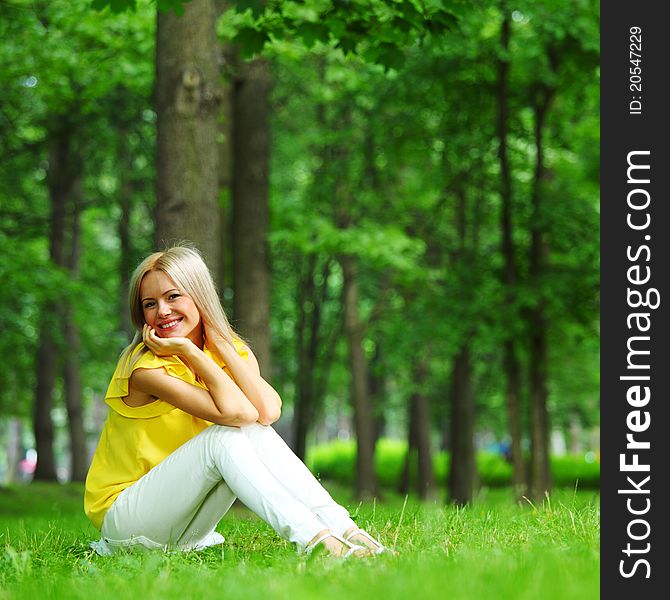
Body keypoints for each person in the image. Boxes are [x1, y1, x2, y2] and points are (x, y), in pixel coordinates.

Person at [84, 245, 388, 558]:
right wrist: (188, 351)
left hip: (184, 528)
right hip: (126, 521)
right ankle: (318, 542)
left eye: (173, 296)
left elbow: (267, 412)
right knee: (224, 436)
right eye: (150, 304)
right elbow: (238, 413)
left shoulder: (230, 352)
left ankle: (344, 528)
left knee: (253, 431)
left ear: (199, 295)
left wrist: (221, 346)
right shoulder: (146, 370)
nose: (162, 311)